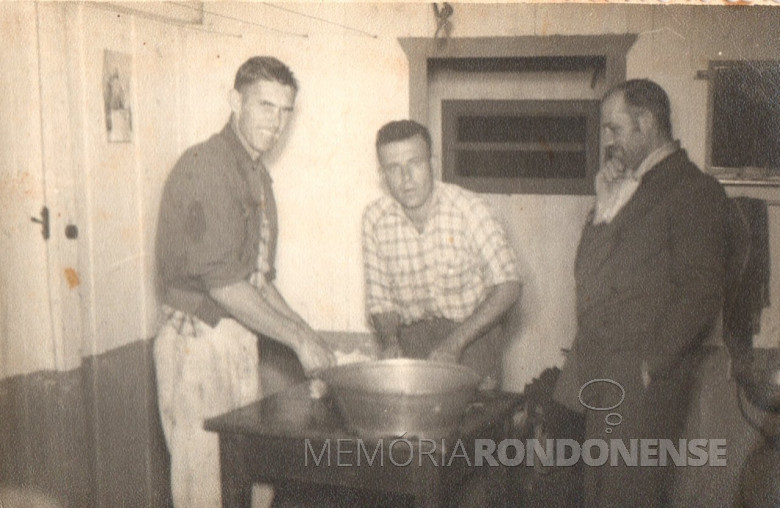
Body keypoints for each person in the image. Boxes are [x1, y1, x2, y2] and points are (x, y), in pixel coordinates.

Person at [153, 56, 335, 508]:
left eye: (285, 111)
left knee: (252, 485)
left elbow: (259, 281)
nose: (276, 123)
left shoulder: (255, 175)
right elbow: (224, 286)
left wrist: (309, 335)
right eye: (265, 106)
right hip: (198, 346)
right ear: (235, 101)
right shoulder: (207, 167)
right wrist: (298, 342)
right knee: (205, 491)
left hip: (238, 341)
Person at [555, 79, 728, 507]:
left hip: (642, 379)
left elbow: (702, 289)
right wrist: (604, 204)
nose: (608, 141)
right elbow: (585, 274)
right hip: (601, 369)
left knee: (629, 495)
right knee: (598, 493)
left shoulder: (694, 189)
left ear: (646, 121)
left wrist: (651, 365)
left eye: (614, 128)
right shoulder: (628, 185)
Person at [362, 120, 521, 389]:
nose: (406, 178)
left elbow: (509, 286)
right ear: (382, 175)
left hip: (471, 339)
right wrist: (390, 342)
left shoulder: (470, 208)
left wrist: (453, 345)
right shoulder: (374, 219)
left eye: (414, 163)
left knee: (475, 413)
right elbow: (380, 302)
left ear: (432, 164)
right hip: (410, 343)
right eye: (394, 168)